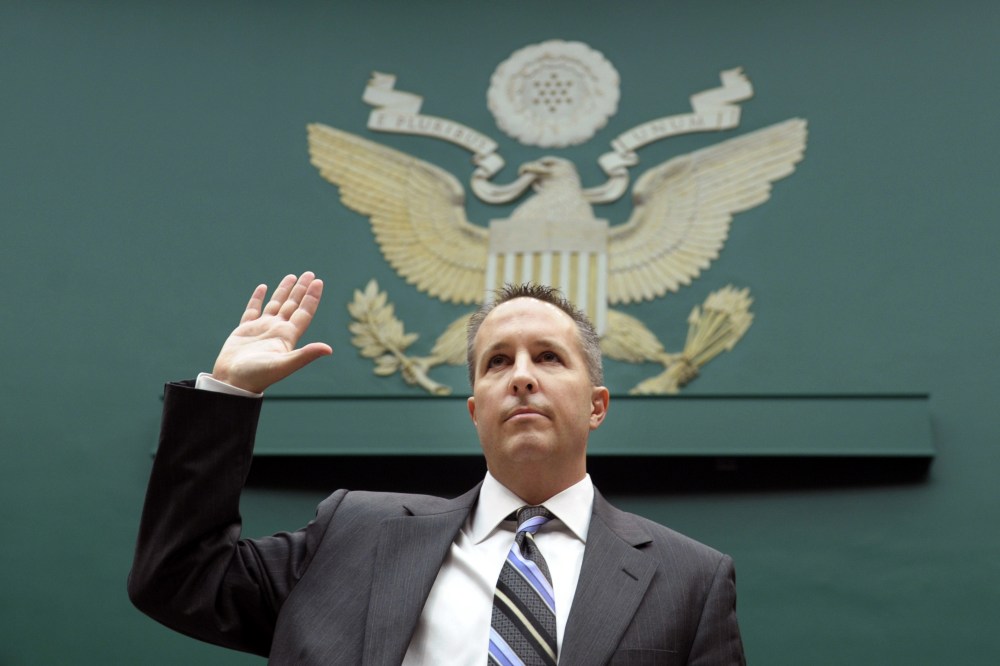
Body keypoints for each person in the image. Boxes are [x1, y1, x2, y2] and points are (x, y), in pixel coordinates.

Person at [128, 271, 746, 665]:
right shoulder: (354, 534)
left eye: (549, 357)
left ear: (597, 406)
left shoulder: (690, 579)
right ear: (476, 411)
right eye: (498, 361)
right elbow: (179, 578)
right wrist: (228, 392)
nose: (523, 375)